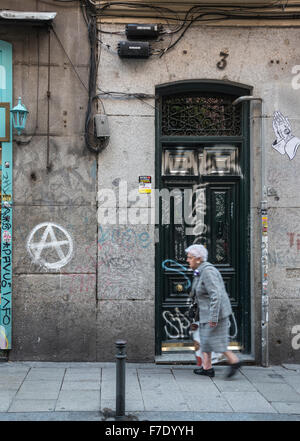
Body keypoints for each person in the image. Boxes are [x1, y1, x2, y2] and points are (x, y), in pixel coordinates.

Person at [186, 244, 241, 378]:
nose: (187, 260)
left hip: (216, 313)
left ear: (198, 259)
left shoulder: (208, 271)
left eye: (190, 258)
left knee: (216, 342)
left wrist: (213, 317)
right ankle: (207, 368)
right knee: (206, 340)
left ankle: (235, 361)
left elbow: (216, 294)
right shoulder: (200, 270)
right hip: (206, 312)